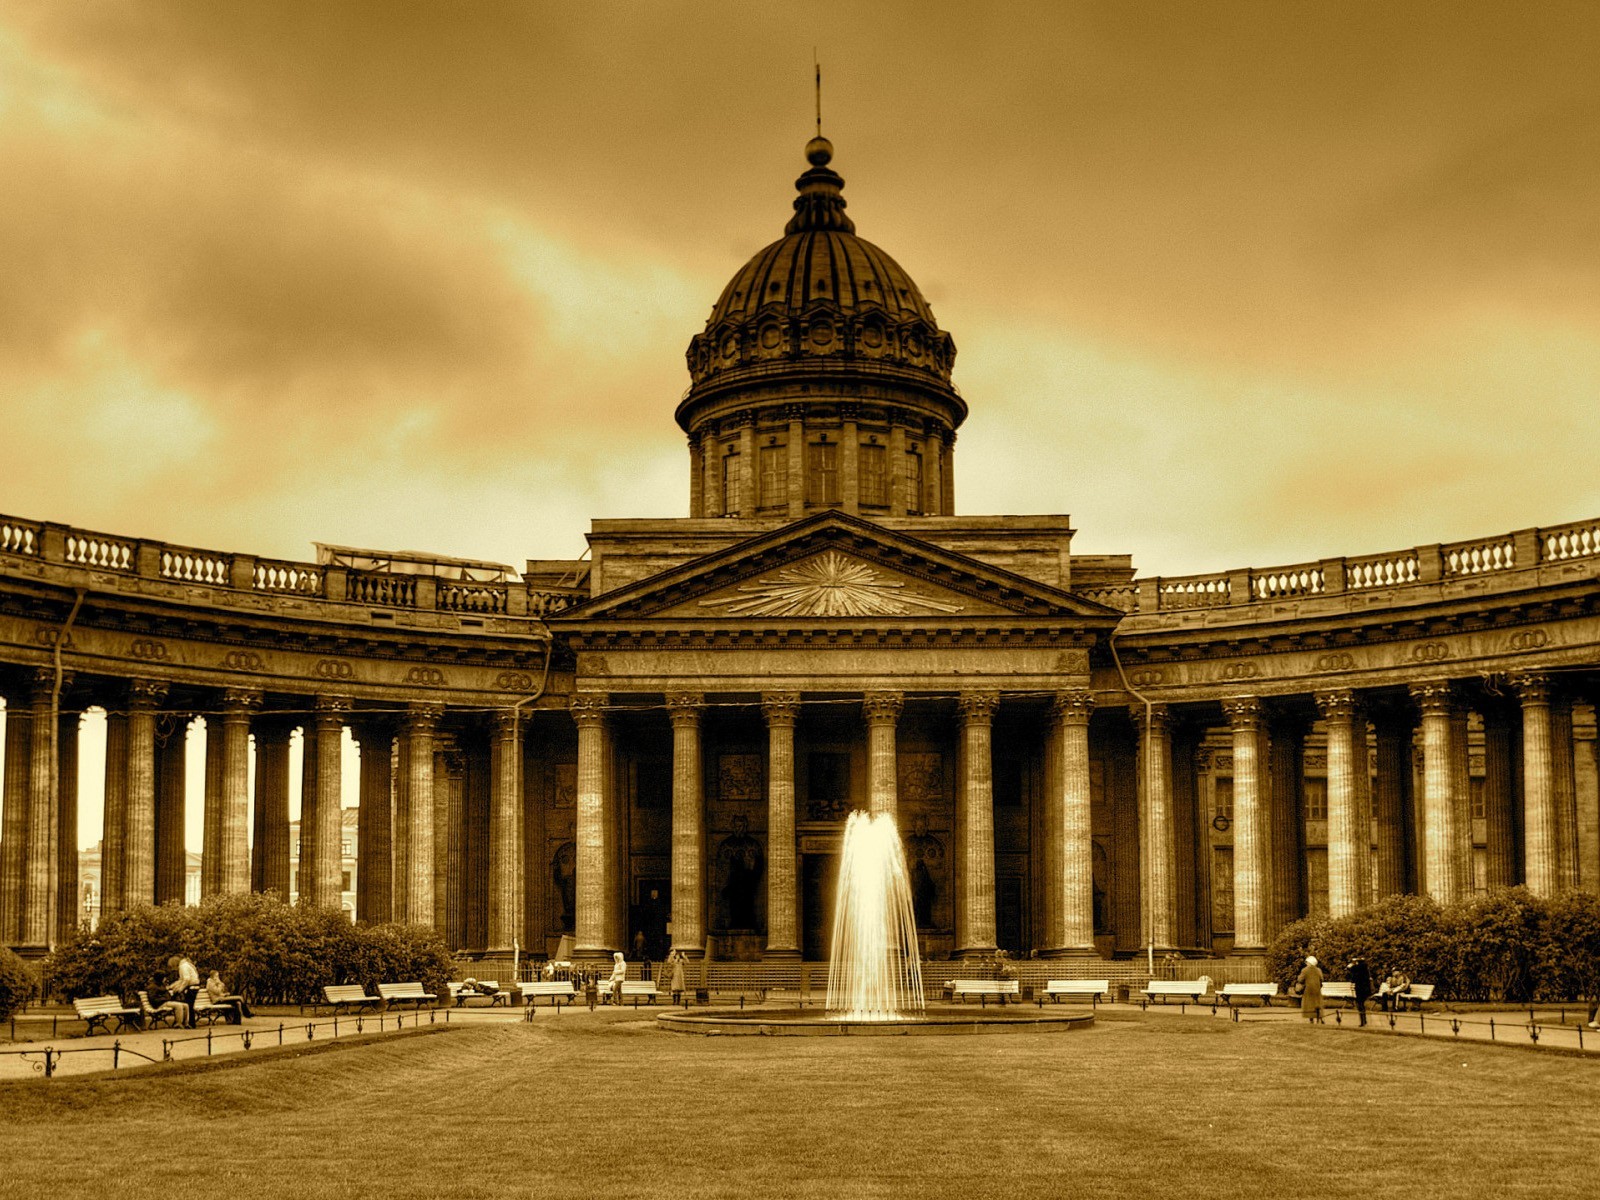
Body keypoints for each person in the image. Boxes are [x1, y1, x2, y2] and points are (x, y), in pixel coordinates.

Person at [167, 954, 200, 1029]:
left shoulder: (183, 966)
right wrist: (172, 986)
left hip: (191, 987)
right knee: (189, 1005)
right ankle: (189, 1023)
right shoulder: (186, 965)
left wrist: (180, 989)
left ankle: (190, 1023)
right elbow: (181, 980)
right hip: (194, 986)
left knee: (189, 1005)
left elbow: (186, 980)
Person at [1296, 955, 1324, 1024]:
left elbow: (1300, 979)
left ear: (1309, 963)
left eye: (1307, 962)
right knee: (1317, 1004)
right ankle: (1319, 1018)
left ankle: (1311, 1019)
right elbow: (1321, 979)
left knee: (1309, 1005)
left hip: (1308, 990)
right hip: (1317, 990)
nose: (1306, 964)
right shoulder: (1318, 970)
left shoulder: (1305, 970)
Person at [1347, 957, 1372, 1027]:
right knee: (1362, 1004)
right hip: (1366, 989)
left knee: (1360, 1005)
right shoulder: (1366, 969)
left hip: (1359, 989)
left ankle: (1362, 1021)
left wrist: (1351, 965)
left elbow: (1352, 977)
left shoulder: (1356, 968)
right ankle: (1364, 1020)